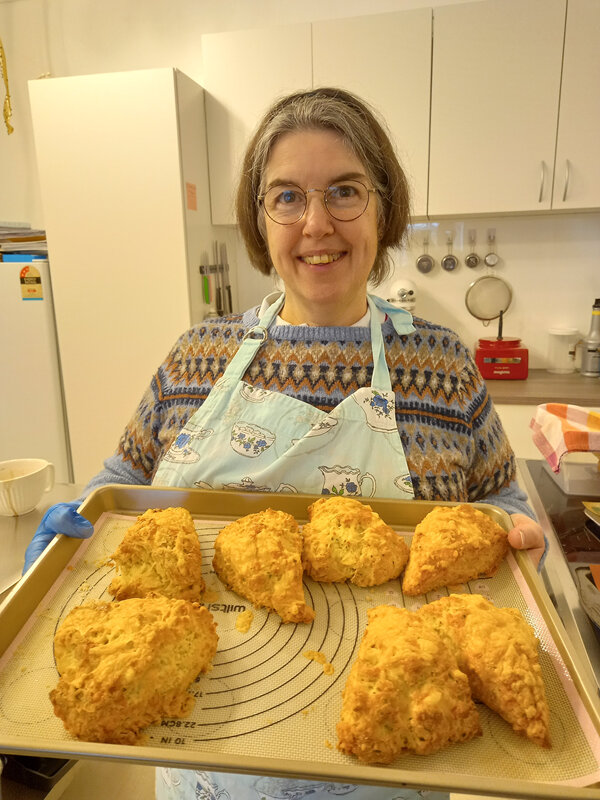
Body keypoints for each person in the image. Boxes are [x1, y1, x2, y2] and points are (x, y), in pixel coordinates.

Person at [24, 87, 545, 800]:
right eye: (287, 197)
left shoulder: (442, 365)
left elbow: (501, 503)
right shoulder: (197, 355)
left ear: (383, 208)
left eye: (345, 191)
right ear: (259, 219)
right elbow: (123, 482)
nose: (317, 223)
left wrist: (519, 538)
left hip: (394, 752)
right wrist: (68, 539)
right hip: (205, 755)